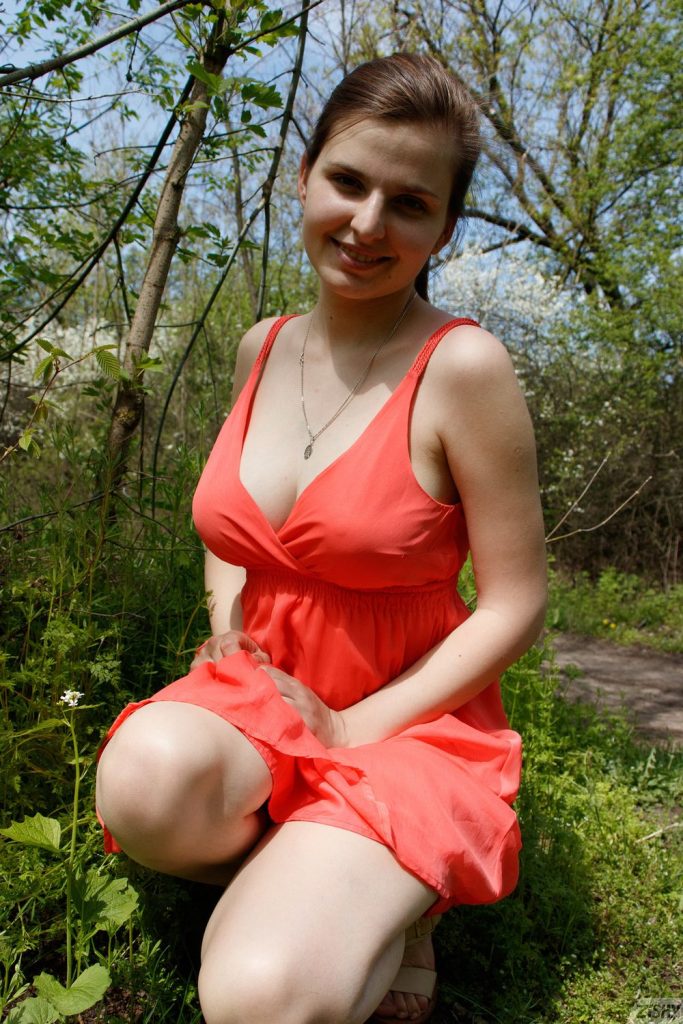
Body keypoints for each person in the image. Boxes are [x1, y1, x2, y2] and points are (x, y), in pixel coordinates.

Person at [96, 52, 547, 1024]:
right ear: (303, 178)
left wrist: (350, 729)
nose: (367, 223)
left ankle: (387, 894)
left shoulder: (462, 367)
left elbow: (516, 602)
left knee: (261, 999)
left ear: (444, 229)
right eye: (347, 181)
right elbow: (234, 530)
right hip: (263, 695)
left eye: (409, 203)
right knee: (142, 780)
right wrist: (226, 621)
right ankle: (312, 868)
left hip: (410, 720)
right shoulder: (260, 347)